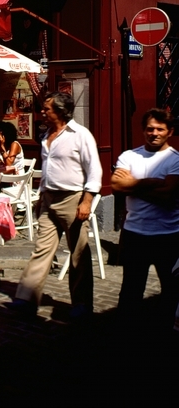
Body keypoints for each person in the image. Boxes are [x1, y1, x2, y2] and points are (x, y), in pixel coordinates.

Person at [10, 91, 102, 319]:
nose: (42, 112)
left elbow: (94, 170)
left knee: (78, 252)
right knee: (42, 249)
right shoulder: (46, 135)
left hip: (72, 199)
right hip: (49, 199)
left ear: (61, 111)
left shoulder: (80, 135)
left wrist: (87, 201)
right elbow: (48, 170)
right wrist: (41, 197)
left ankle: (82, 304)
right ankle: (26, 298)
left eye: (47, 109)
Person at [111, 107, 179, 330]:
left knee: (171, 288)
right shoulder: (129, 156)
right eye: (150, 129)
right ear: (143, 130)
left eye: (160, 129)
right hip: (135, 233)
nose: (154, 133)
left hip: (168, 234)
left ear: (169, 132)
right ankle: (127, 334)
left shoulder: (175, 160)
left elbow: (168, 194)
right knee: (131, 288)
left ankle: (164, 333)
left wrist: (133, 184)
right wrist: (151, 183)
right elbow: (116, 186)